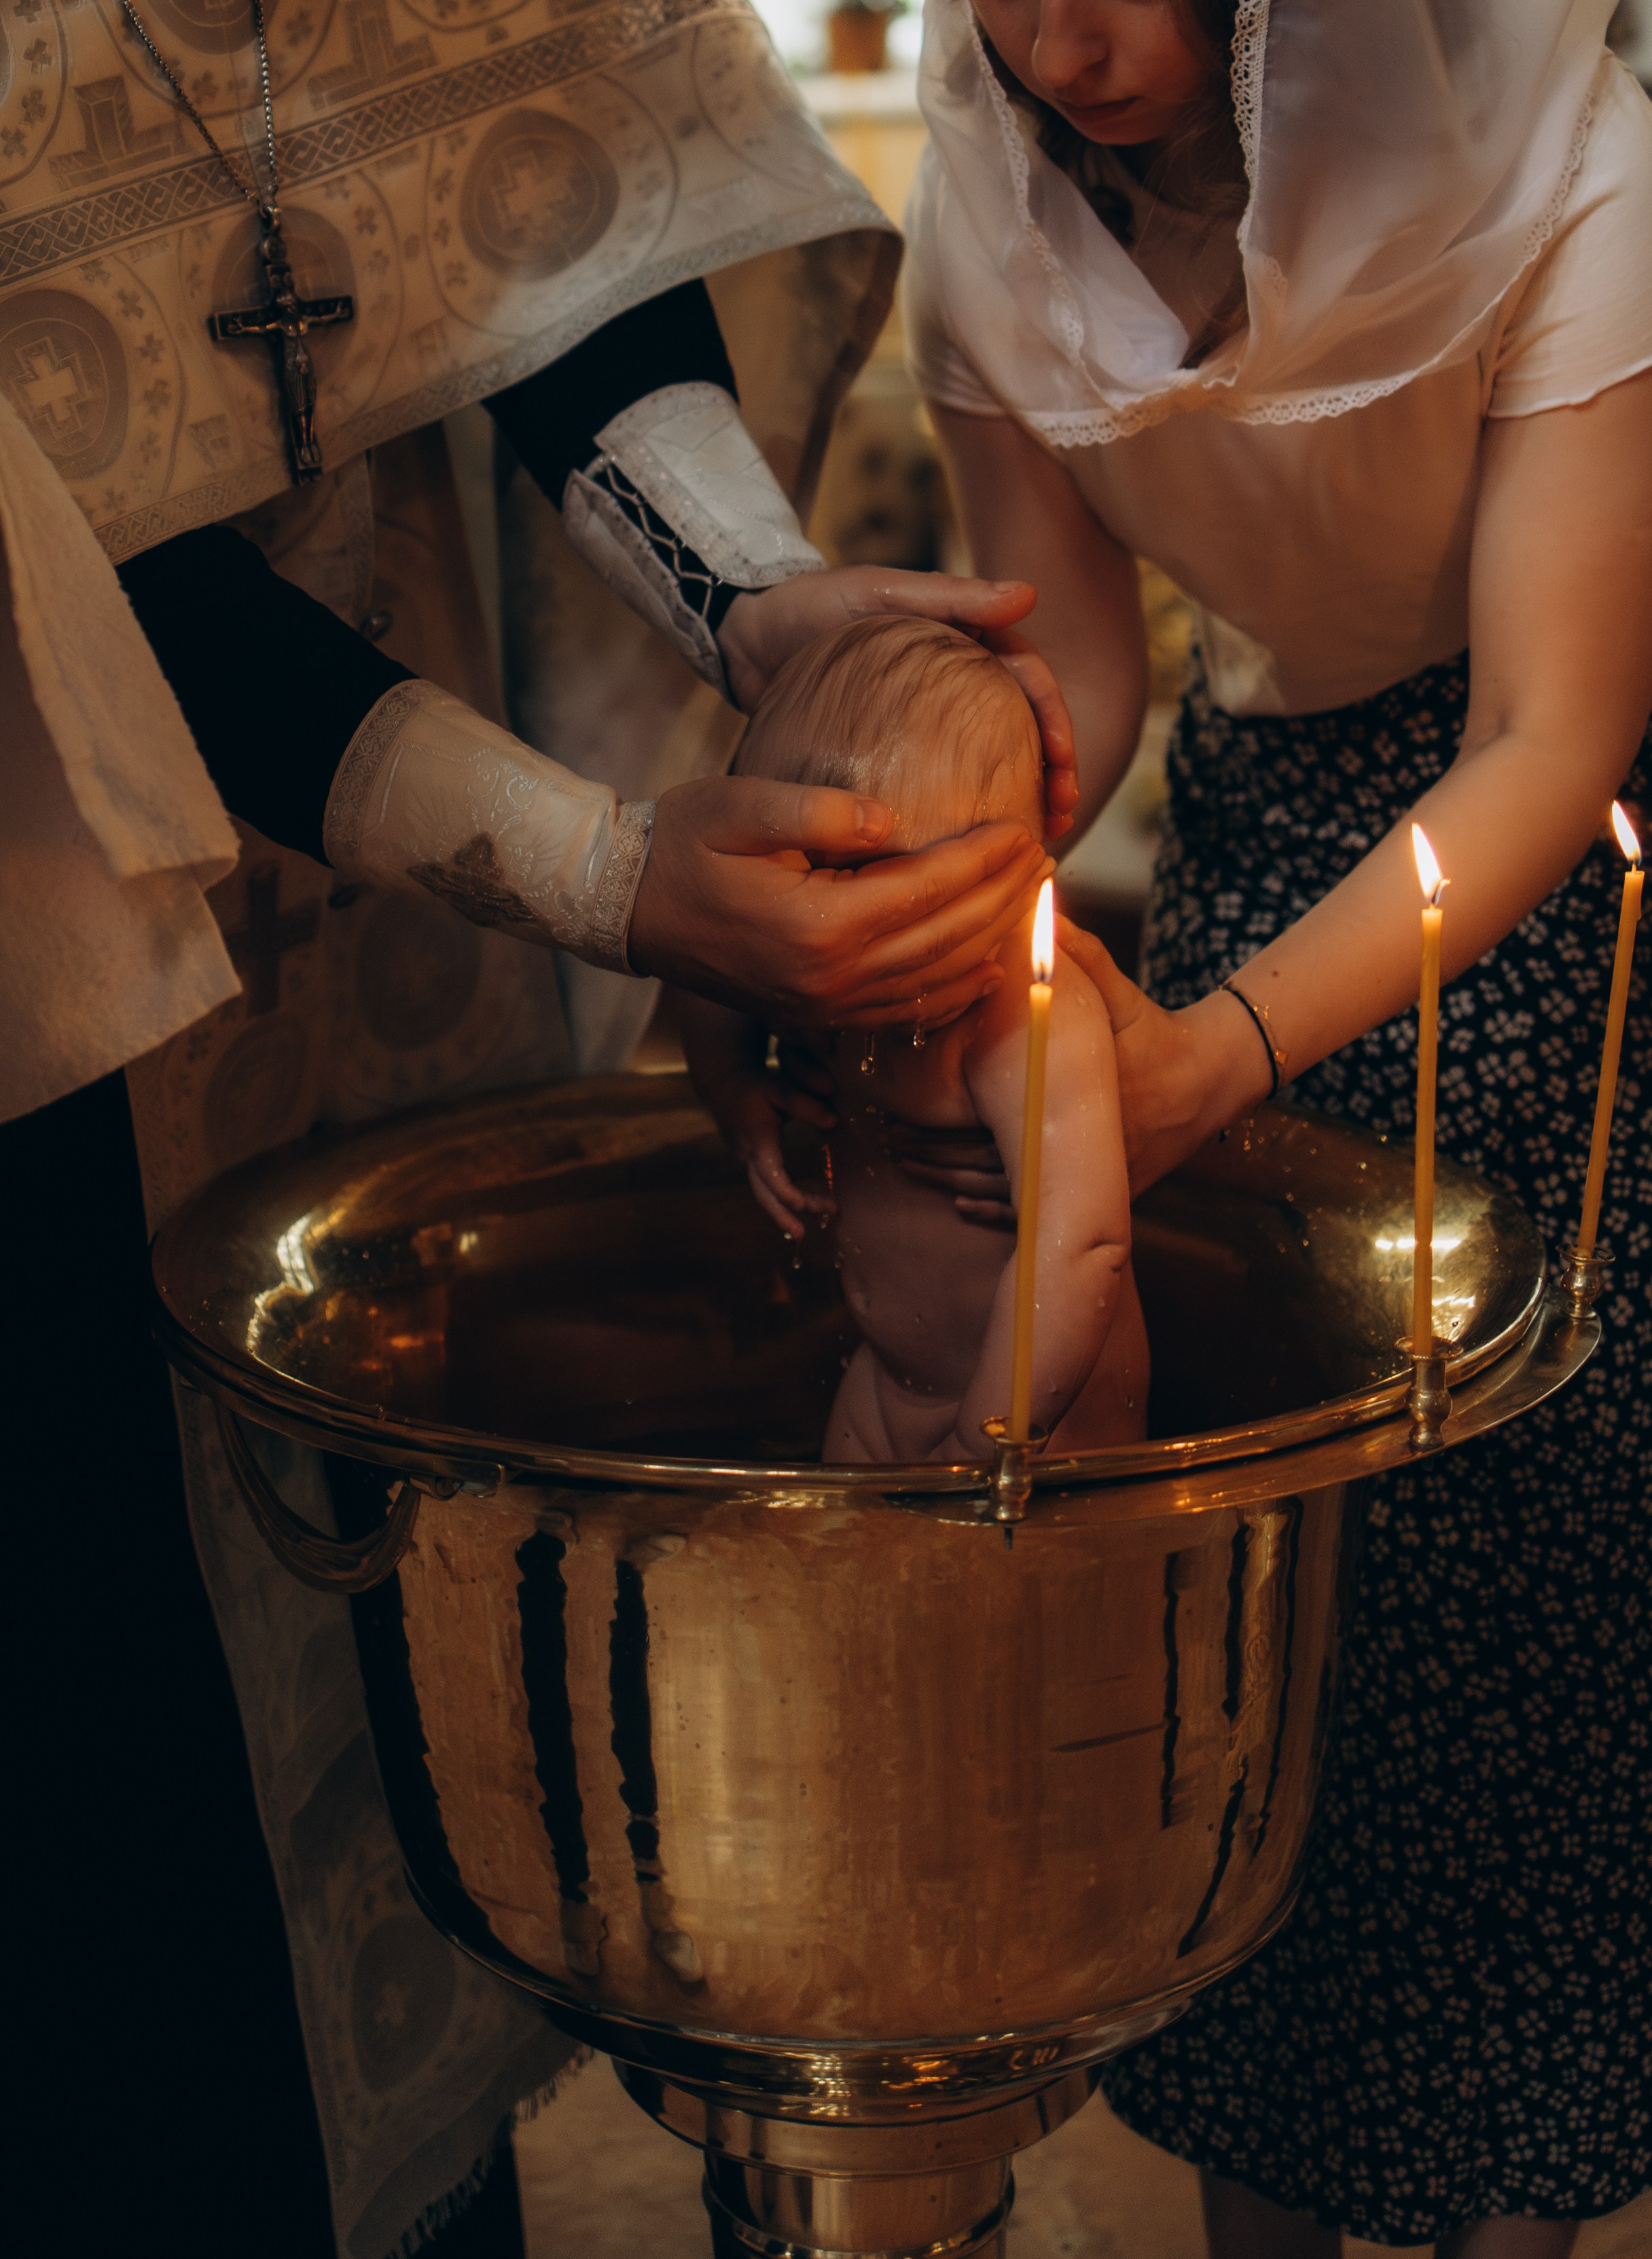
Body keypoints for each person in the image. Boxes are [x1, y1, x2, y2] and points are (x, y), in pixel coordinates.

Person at [3, 11, 1079, 2254]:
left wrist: (758, 606)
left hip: (394, 951)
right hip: (46, 997)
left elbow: (535, 205)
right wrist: (605, 871)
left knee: (402, 1761)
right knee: (136, 1881)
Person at [894, 0, 1652, 2253]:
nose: (1062, 36)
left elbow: (1546, 731)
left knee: (1531, 1598)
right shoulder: (993, 199)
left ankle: (1512, 2202)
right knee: (1264, 1607)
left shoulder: (1572, 149)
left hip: (1551, 891)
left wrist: (1212, 1053)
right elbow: (1097, 671)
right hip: (1253, 845)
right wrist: (939, 874)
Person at [682, 615, 1147, 1462]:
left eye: (918, 911)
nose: (858, 943)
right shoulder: (806, 957)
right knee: (845, 1570)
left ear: (1009, 878)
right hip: (890, 1378)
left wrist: (989, 1441)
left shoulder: (1023, 1012)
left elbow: (1081, 1242)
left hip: (1046, 1408)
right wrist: (733, 1087)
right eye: (818, 894)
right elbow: (708, 974)